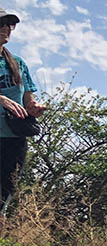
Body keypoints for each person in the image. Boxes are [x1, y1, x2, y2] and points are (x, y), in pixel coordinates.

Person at [0, 9, 45, 230]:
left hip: (13, 138)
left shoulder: (17, 62)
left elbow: (28, 99)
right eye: (1, 23)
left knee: (3, 197)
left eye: (10, 24)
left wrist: (35, 108)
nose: (6, 28)